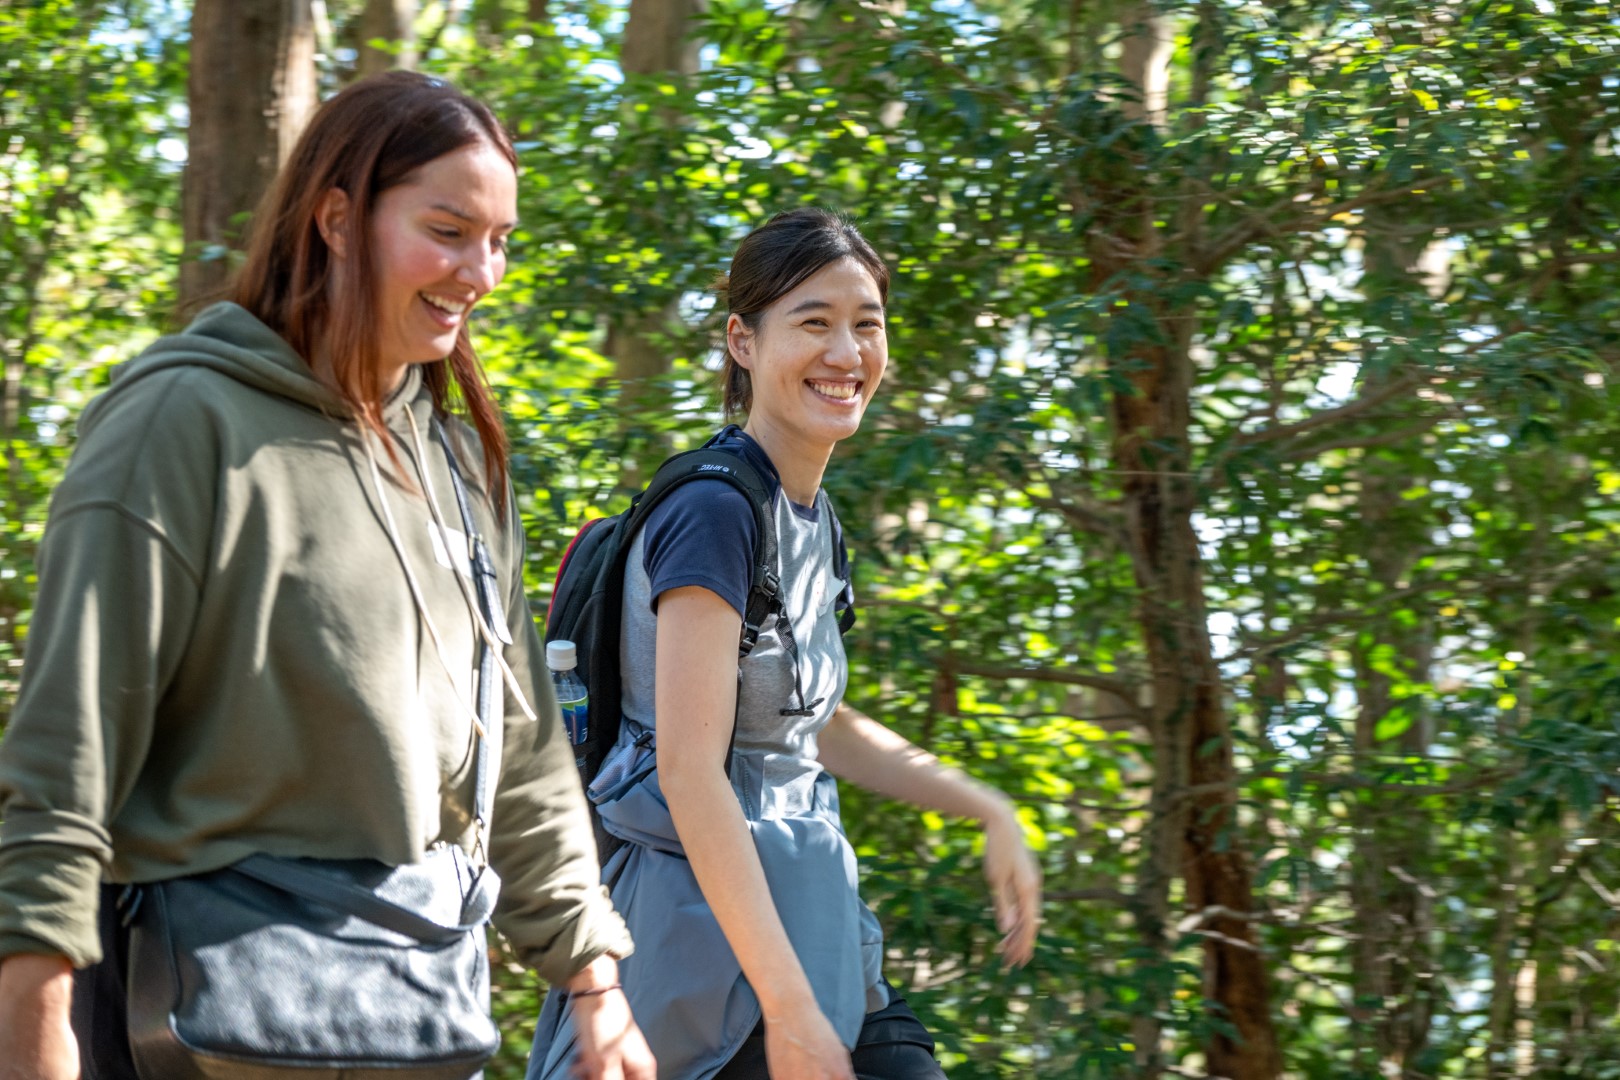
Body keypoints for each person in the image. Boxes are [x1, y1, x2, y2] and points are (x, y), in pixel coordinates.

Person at [0, 71, 653, 1080]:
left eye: (502, 239)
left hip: (419, 1010)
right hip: (198, 1023)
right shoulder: (181, 425)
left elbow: (521, 747)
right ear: (338, 219)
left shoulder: (456, 461)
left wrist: (595, 984)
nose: (482, 271)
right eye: (448, 229)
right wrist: (35, 1049)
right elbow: (59, 778)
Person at [527, 208, 1043, 1080]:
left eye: (866, 324)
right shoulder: (714, 512)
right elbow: (691, 770)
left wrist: (985, 806)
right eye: (814, 322)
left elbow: (813, 724)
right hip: (707, 951)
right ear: (742, 340)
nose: (847, 353)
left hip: (808, 915)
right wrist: (789, 1006)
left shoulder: (810, 520)